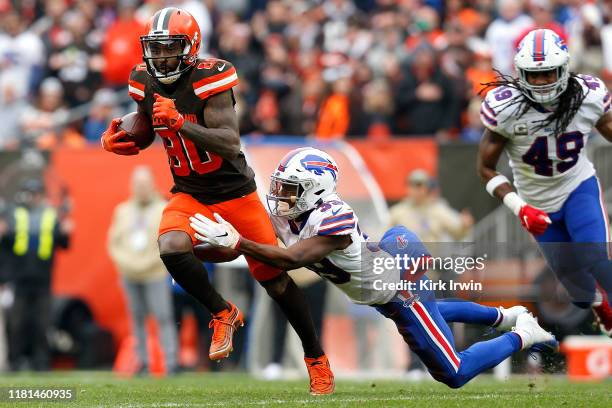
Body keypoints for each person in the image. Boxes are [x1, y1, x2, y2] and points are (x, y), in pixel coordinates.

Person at [100, 8, 333, 394]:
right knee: (170, 247)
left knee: (275, 283)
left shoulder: (211, 77)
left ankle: (316, 358)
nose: (159, 59)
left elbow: (229, 142)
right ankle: (223, 312)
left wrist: (181, 124)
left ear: (190, 49)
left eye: (168, 49)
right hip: (191, 193)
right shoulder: (144, 80)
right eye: (154, 50)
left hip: (235, 193)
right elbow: (145, 127)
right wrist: (123, 138)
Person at [190, 147, 558, 389]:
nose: (281, 196)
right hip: (383, 276)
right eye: (281, 187)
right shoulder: (290, 214)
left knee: (452, 372)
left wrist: (236, 241)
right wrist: (200, 251)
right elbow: (259, 250)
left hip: (399, 282)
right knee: (433, 310)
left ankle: (523, 332)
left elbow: (293, 259)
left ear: (315, 190)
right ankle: (505, 317)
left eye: (290, 189)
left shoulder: (332, 217)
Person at [477, 28, 612, 336]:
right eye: (532, 75)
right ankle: (598, 304)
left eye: (548, 73)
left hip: (577, 186)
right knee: (578, 294)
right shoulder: (506, 107)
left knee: (595, 259)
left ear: (563, 68)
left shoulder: (588, 96)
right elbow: (485, 169)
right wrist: (519, 207)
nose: (540, 82)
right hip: (535, 204)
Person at [107, 166, 178, 376]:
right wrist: (127, 263)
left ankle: (170, 361)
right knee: (136, 318)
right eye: (138, 184)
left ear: (152, 184)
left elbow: (168, 242)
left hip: (154, 272)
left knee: (163, 316)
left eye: (145, 184)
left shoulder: (163, 208)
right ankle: (143, 361)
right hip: (129, 273)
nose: (141, 188)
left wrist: (148, 262)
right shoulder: (123, 210)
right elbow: (113, 243)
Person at [0, 179, 72, 370]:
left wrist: (66, 232)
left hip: (43, 278)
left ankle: (41, 362)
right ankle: (16, 361)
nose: (33, 197)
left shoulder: (50, 215)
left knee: (42, 323)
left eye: (37, 193)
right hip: (19, 278)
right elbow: (6, 245)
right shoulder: (13, 214)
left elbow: (63, 244)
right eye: (30, 193)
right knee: (17, 323)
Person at [388, 169, 473, 243]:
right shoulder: (397, 212)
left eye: (420, 185)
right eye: (413, 185)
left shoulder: (438, 210)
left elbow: (457, 234)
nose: (417, 190)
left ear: (427, 188)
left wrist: (464, 226)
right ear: (407, 188)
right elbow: (384, 238)